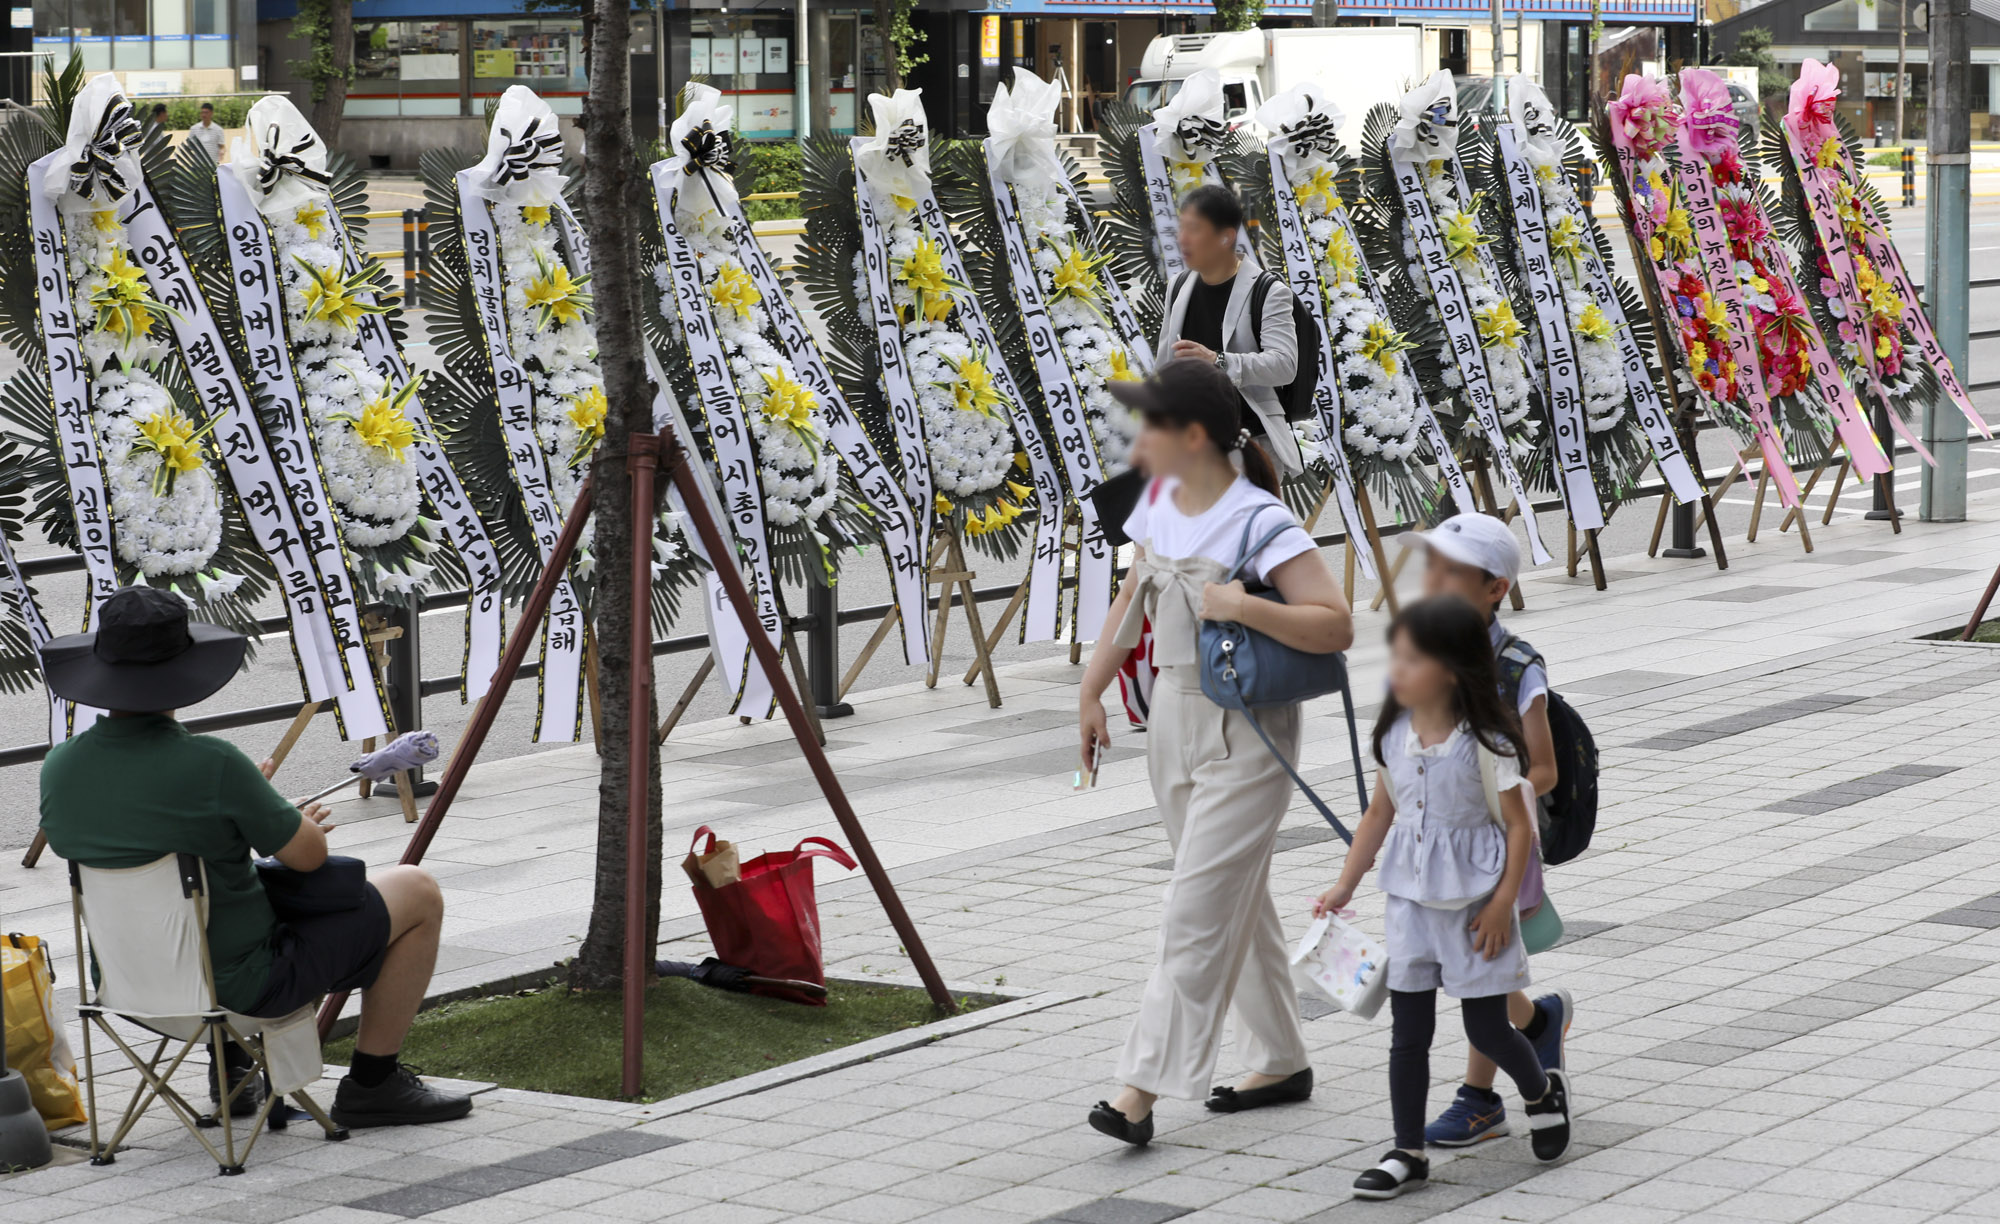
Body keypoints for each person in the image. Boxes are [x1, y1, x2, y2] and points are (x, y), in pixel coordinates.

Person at [37, 586, 471, 1130]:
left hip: (127, 988)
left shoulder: (60, 766)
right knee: (416, 890)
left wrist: (240, 811)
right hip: (241, 989)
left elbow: (138, 838)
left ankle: (233, 1069)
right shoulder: (213, 763)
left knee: (221, 903)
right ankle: (373, 1084)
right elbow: (308, 858)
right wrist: (271, 808)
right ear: (182, 671)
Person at [1076, 358, 1354, 1146]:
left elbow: (1335, 624)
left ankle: (1138, 1090)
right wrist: (1091, 693)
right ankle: (1281, 1058)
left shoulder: (1262, 520)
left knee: (1193, 910)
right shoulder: (1159, 503)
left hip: (1248, 728)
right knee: (1234, 894)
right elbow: (1130, 603)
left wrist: (1240, 607)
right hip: (1171, 719)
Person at [1316, 596, 1573, 1200]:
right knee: (1408, 1033)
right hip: (1409, 904)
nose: (1396, 671)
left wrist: (1502, 903)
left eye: (1412, 659)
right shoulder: (1393, 735)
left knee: (1489, 1029)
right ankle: (1407, 1151)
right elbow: (1378, 814)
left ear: (1454, 670)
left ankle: (1541, 1093)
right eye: (1396, 658)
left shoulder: (1488, 742)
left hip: (1478, 906)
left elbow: (1518, 826)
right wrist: (1345, 884)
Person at [1400, 514, 1574, 1148]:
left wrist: (1487, 803)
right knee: (1474, 967)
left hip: (1495, 846)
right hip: (1436, 847)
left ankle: (1479, 1097)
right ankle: (1539, 1023)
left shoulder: (1517, 666)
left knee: (1479, 968)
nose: (1433, 581)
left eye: (1451, 571)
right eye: (1430, 566)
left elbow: (1544, 769)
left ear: (1495, 588)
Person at [1153, 184, 1305, 477]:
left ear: (1225, 237)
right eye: (1181, 228)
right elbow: (1165, 365)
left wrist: (1218, 360)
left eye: (1194, 229)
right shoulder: (1179, 285)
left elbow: (1285, 366)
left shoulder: (1268, 291)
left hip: (1251, 446)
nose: (1182, 239)